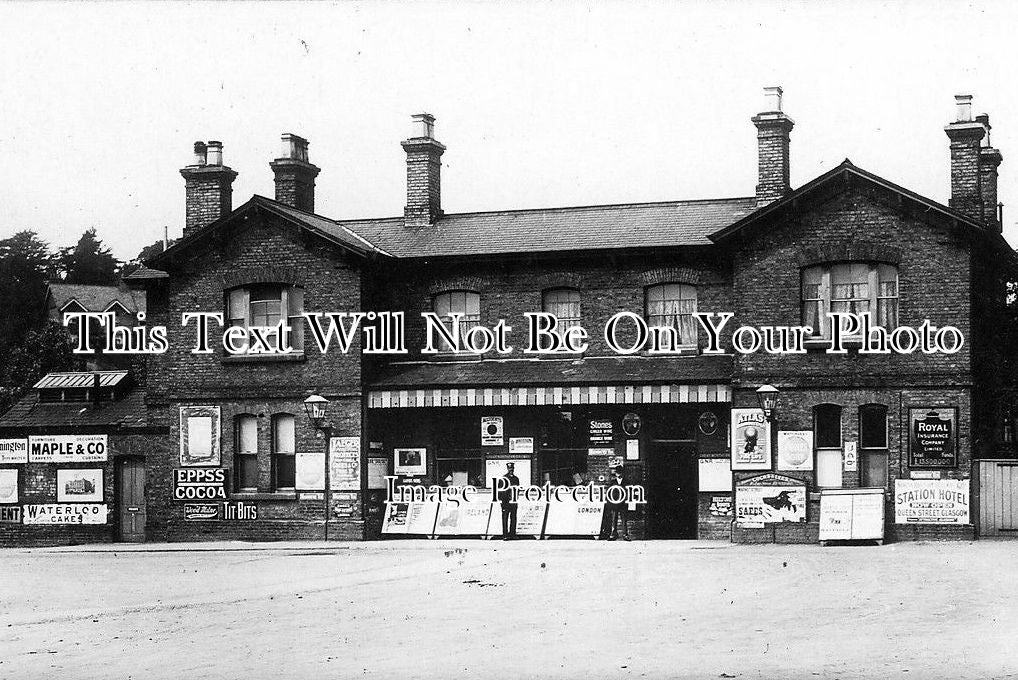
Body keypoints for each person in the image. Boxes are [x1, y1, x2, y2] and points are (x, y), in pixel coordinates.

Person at [607, 466, 630, 541]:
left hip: (623, 503)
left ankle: (625, 534)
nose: (619, 474)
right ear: (616, 473)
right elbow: (609, 493)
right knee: (614, 519)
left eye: (620, 472)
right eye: (617, 472)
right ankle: (613, 534)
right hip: (615, 503)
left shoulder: (627, 481)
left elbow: (629, 492)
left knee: (624, 519)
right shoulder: (612, 482)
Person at [499, 462, 521, 540]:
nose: (511, 470)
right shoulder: (503, 478)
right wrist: (503, 501)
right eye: (509, 468)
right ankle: (505, 535)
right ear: (507, 469)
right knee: (505, 518)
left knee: (513, 518)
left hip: (513, 502)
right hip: (506, 502)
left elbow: (517, 490)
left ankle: (512, 534)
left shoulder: (516, 479)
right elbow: (500, 491)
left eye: (512, 468)